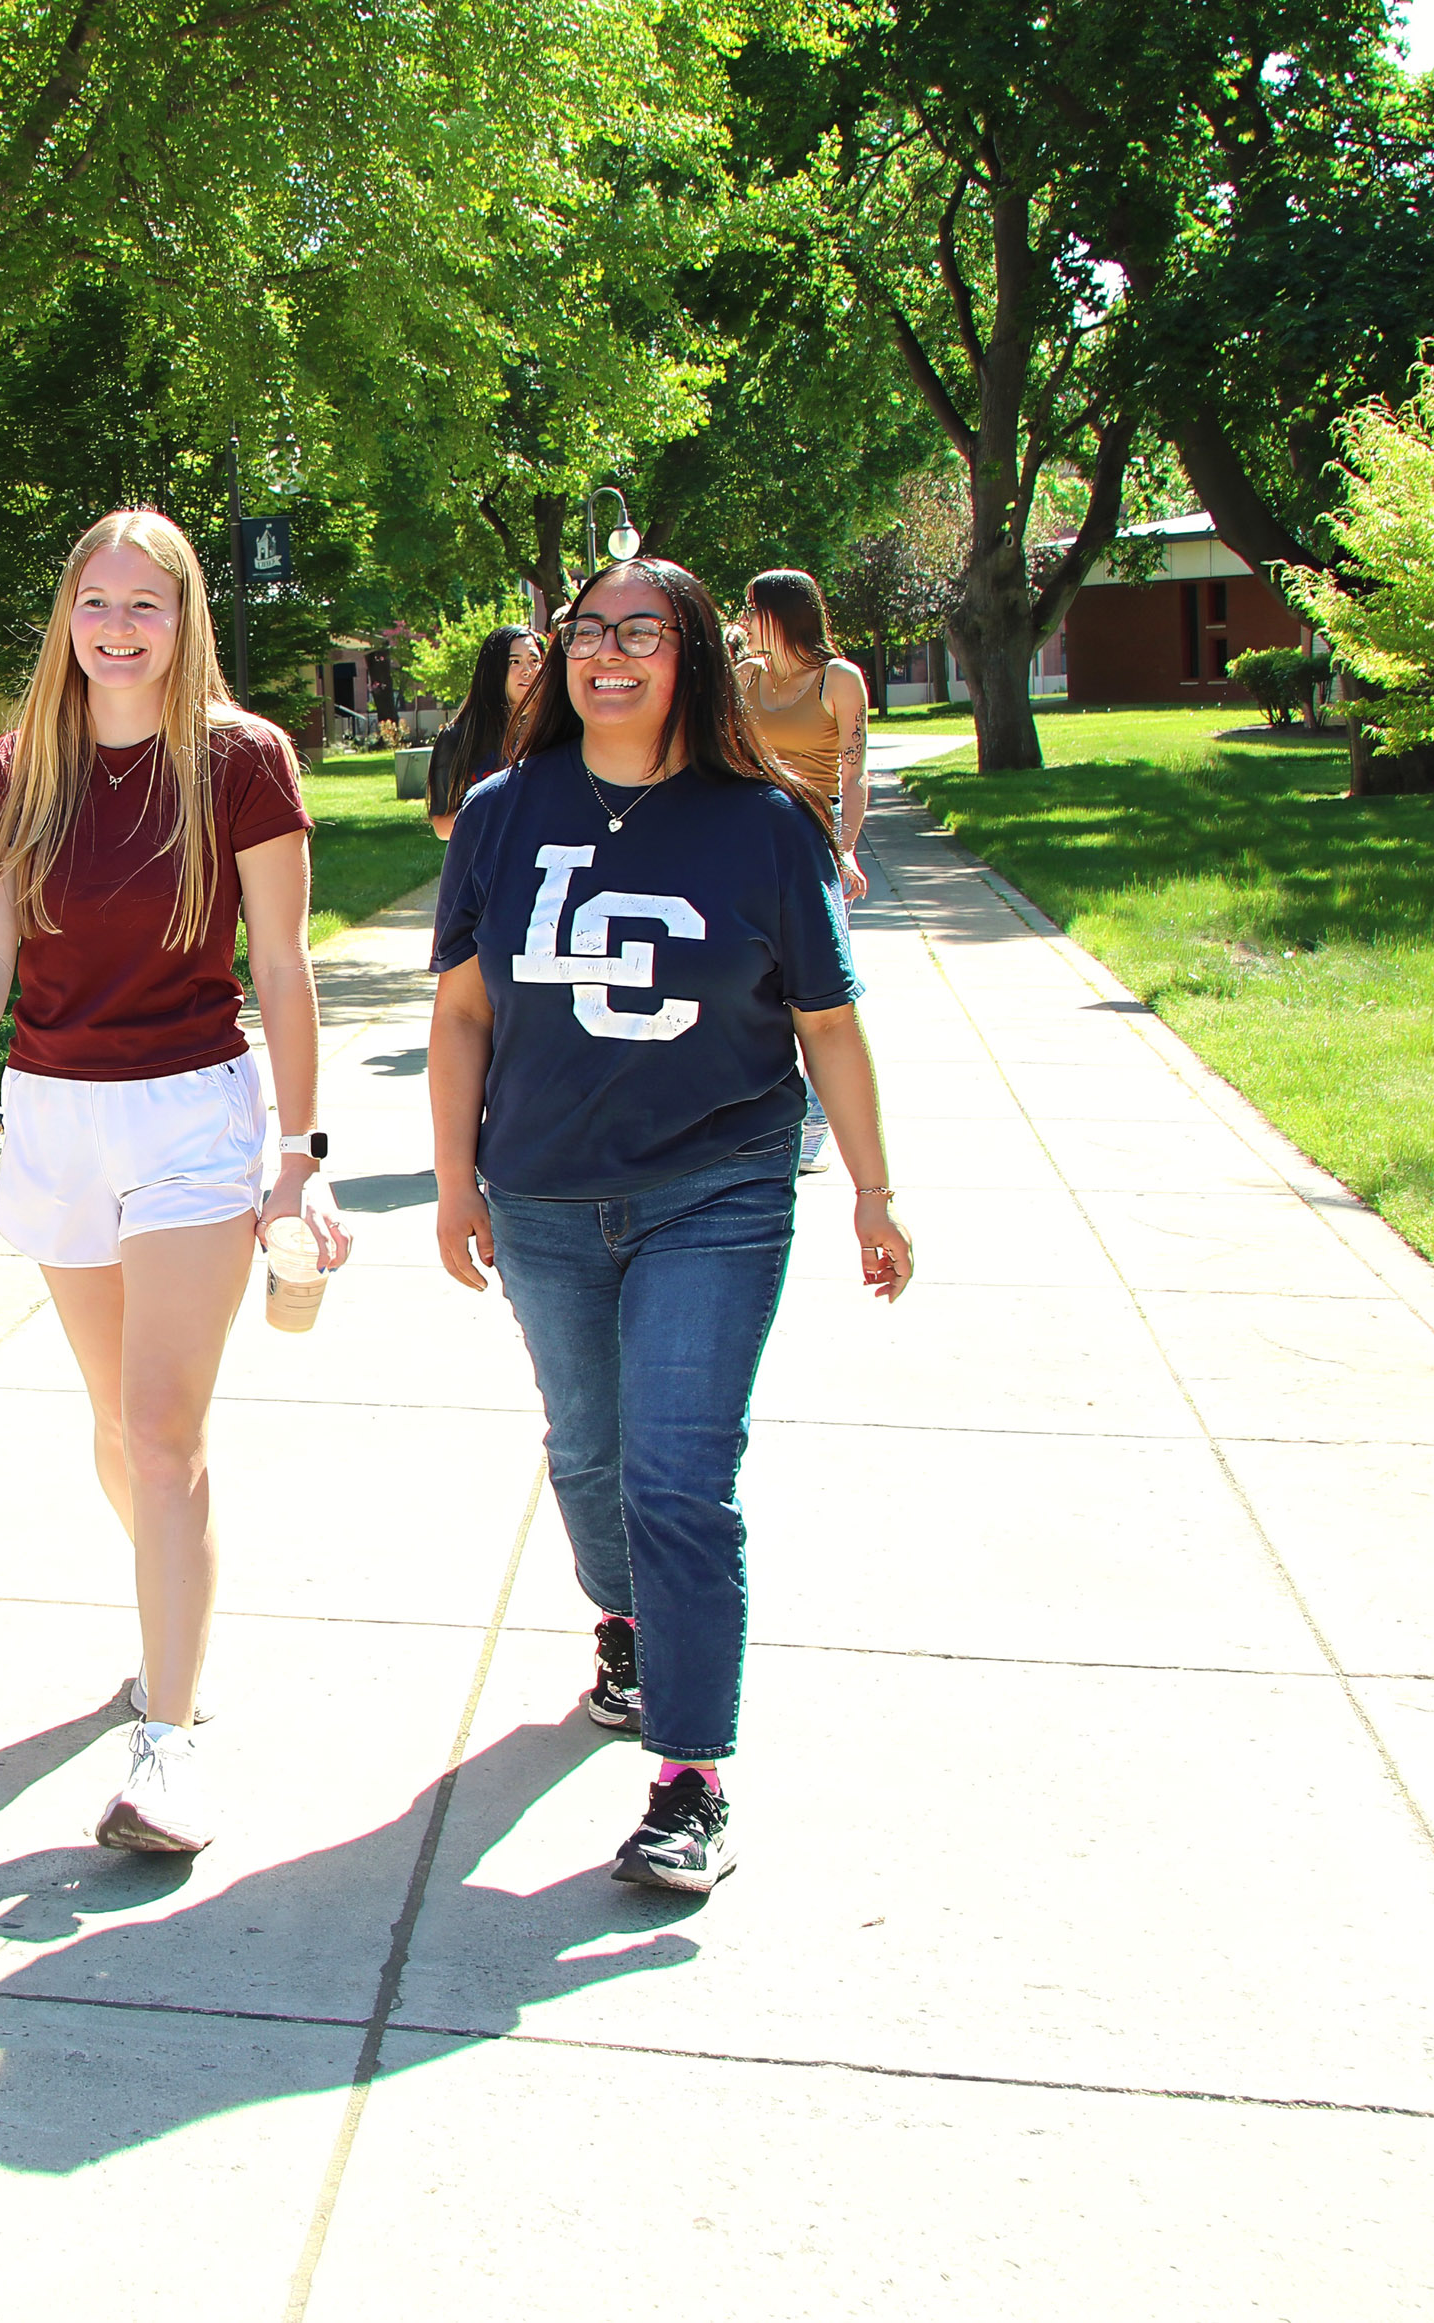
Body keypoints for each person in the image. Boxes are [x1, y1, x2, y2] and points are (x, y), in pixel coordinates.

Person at [425, 555, 913, 1894]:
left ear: (696, 653)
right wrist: (454, 1179)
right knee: (589, 1454)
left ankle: (690, 1775)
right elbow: (463, 1012)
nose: (609, 652)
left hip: (720, 1184)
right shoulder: (499, 813)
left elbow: (828, 1019)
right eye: (590, 630)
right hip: (537, 1190)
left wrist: (873, 1188)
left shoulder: (763, 824)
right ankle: (627, 1624)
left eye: (642, 631)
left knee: (679, 1476)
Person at [0, 506, 351, 1855]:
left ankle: (166, 1742)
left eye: (145, 605)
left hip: (189, 1117)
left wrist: (299, 1159)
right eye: (95, 602)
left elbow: (281, 964)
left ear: (184, 621)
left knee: (165, 1432)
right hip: (56, 1116)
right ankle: (175, 1609)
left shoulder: (243, 761)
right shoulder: (20, 766)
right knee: (119, 1432)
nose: (116, 628)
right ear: (68, 616)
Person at [736, 568, 874, 1171]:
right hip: (746, 847)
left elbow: (853, 773)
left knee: (817, 994)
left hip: (811, 845)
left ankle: (817, 1122)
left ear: (781, 614)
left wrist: (843, 848)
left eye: (752, 609)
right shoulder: (744, 679)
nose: (744, 621)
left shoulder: (838, 680)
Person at [425, 624, 546, 841]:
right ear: (493, 671)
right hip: (484, 867)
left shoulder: (555, 733)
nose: (527, 669)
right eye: (514, 661)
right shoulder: (459, 738)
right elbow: (442, 826)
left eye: (534, 660)